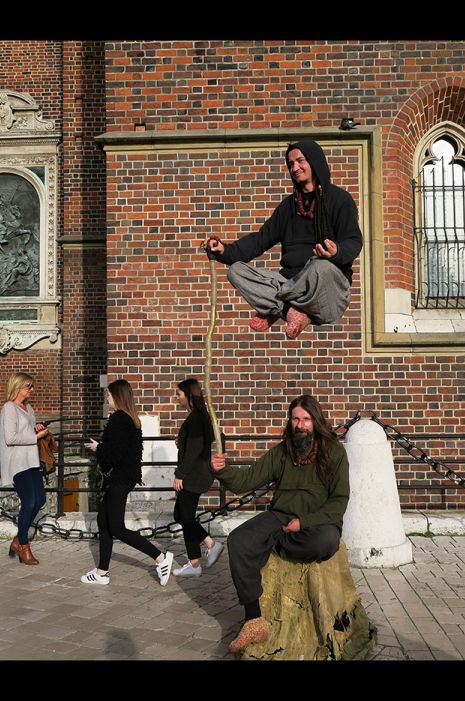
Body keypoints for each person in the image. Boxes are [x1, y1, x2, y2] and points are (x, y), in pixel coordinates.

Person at [211, 395, 349, 653]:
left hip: (318, 520)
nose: (300, 425)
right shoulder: (282, 451)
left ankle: (274, 543)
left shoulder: (334, 452)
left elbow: (339, 501)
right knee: (238, 540)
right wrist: (222, 470)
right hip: (280, 516)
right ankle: (253, 619)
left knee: (325, 542)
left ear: (316, 421)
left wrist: (303, 522)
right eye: (296, 418)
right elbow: (245, 481)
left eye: (306, 419)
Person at [205, 139, 363, 339]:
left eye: (300, 161)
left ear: (314, 161)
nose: (295, 168)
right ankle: (291, 311)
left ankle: (275, 307)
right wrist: (224, 250)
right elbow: (260, 240)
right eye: (291, 164)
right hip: (290, 281)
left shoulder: (340, 199)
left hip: (327, 290)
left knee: (319, 266)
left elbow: (354, 240)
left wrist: (337, 252)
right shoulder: (288, 207)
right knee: (236, 271)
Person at [80, 379, 174, 586]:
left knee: (116, 527)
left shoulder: (119, 419)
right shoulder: (129, 419)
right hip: (124, 477)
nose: (107, 398)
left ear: (117, 397)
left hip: (120, 479)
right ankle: (101, 572)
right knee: (103, 523)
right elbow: (121, 449)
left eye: (109, 395)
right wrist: (104, 449)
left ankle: (160, 558)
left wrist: (99, 449)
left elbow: (116, 453)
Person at [170, 378, 224, 577]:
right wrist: (181, 442)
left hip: (193, 475)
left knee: (185, 517)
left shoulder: (196, 418)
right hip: (196, 473)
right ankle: (199, 558)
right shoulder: (199, 416)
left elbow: (194, 450)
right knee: (181, 516)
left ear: (189, 395)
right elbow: (198, 444)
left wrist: (180, 474)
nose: (177, 398)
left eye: (179, 394)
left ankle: (203, 554)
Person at [0, 372, 49, 566]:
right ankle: (24, 546)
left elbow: (25, 431)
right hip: (17, 463)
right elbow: (10, 438)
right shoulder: (9, 408)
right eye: (29, 386)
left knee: (40, 499)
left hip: (32, 460)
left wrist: (36, 427)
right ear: (18, 387)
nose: (32, 390)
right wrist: (35, 436)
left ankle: (18, 539)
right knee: (28, 502)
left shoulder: (28, 408)